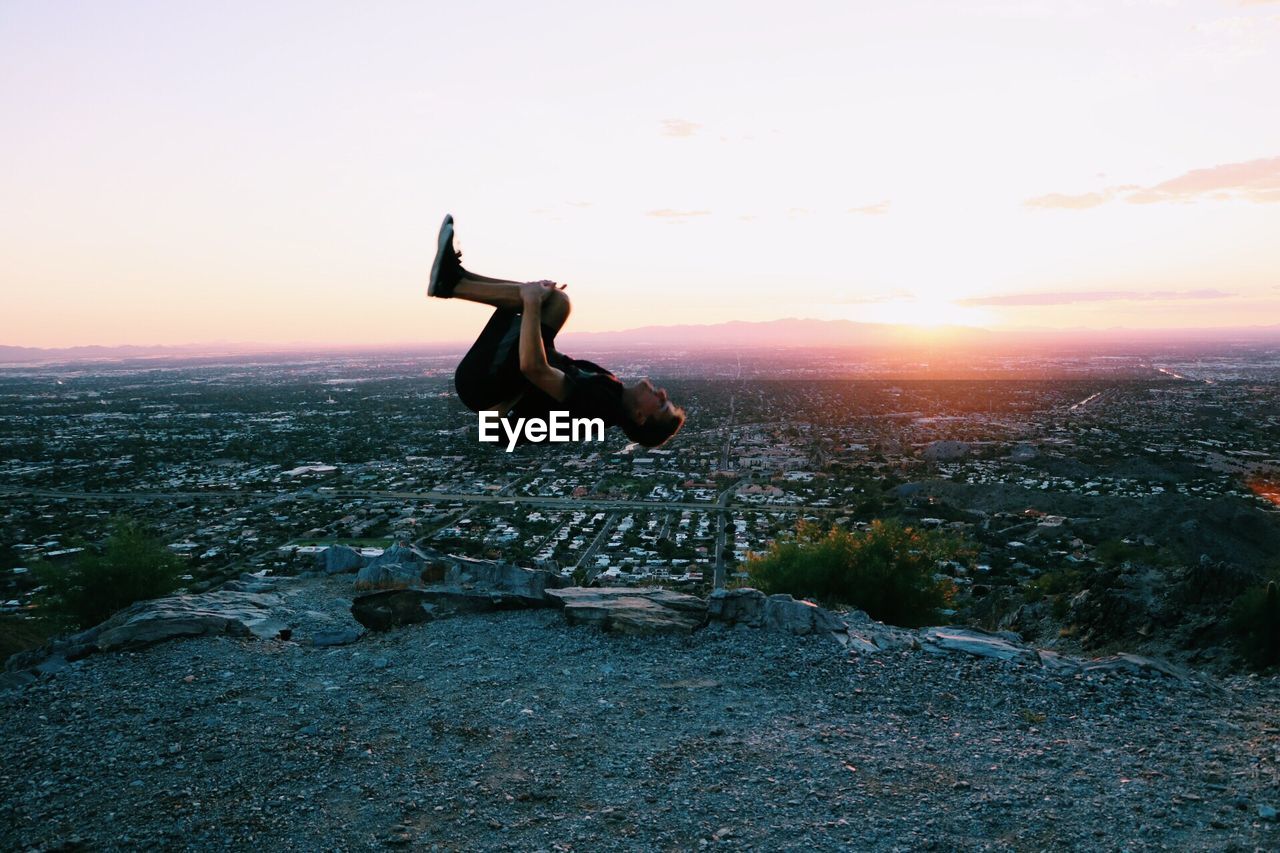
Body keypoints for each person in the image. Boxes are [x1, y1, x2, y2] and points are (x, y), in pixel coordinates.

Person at [428, 214, 685, 447]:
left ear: (639, 417)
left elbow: (533, 368)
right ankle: (456, 278)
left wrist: (531, 303)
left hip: (484, 384)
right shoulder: (610, 393)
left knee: (545, 301)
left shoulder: (599, 404)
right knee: (556, 302)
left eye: (662, 405)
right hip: (491, 386)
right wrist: (539, 303)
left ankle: (451, 283)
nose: (662, 393)